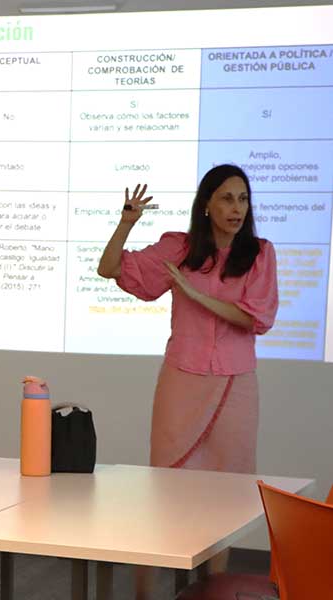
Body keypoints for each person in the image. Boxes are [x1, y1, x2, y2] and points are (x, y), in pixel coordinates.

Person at [97, 164, 279, 597]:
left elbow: (255, 317)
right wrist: (126, 223)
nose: (237, 208)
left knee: (225, 497)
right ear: (207, 205)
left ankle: (211, 591)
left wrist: (197, 294)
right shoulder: (179, 248)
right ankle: (145, 591)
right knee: (164, 492)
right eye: (227, 198)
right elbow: (110, 269)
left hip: (236, 386)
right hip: (182, 381)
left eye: (243, 199)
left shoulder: (259, 253)